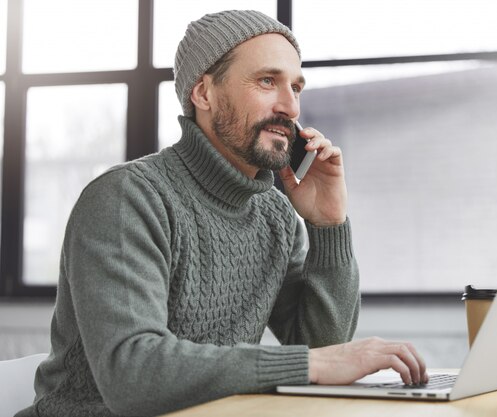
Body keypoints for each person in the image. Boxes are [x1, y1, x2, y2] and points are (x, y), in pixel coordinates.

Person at [17, 10, 427, 416]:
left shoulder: (276, 216)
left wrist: (328, 224)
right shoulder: (128, 198)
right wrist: (314, 365)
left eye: (296, 87)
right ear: (204, 93)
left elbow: (323, 350)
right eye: (268, 81)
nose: (290, 107)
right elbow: (133, 375)